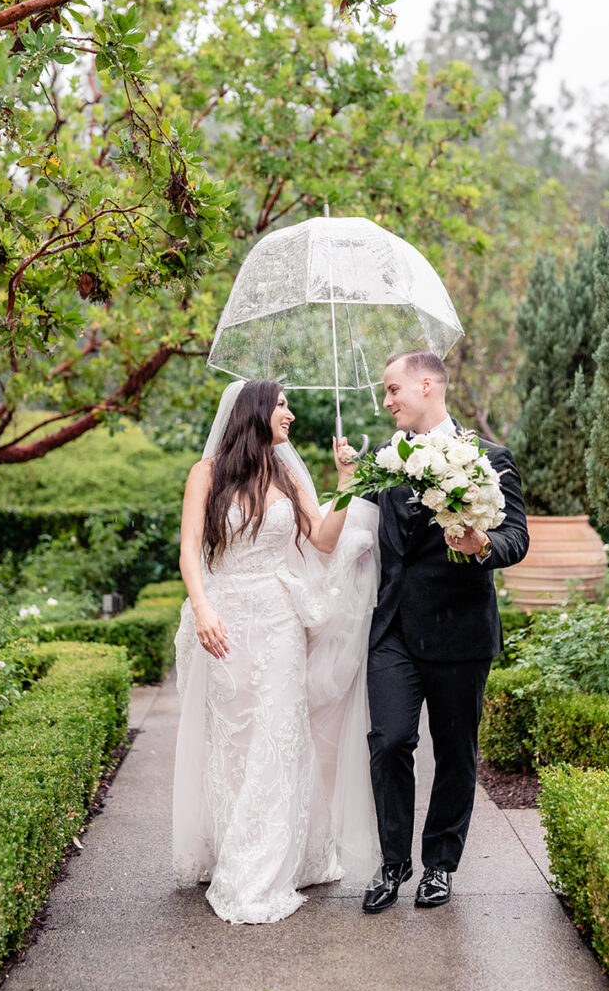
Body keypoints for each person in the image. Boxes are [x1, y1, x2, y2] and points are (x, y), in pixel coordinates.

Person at [173, 378, 379, 925]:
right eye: (282, 405)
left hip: (280, 619)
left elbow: (326, 539)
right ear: (255, 412)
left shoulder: (287, 476)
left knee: (278, 731)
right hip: (225, 620)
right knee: (234, 734)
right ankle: (231, 841)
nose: (289, 414)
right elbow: (189, 551)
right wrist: (202, 609)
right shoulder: (206, 475)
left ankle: (258, 866)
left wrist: (346, 481)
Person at [362, 350, 529, 914]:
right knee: (388, 743)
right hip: (393, 631)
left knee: (456, 752)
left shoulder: (492, 458)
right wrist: (344, 478)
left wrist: (481, 545)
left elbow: (516, 540)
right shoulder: (383, 461)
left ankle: (439, 865)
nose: (386, 402)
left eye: (392, 390)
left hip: (460, 632)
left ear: (426, 384)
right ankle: (392, 863)